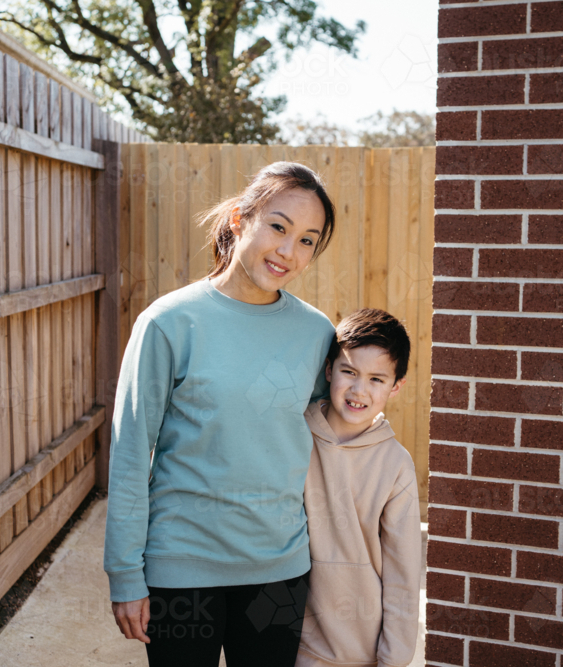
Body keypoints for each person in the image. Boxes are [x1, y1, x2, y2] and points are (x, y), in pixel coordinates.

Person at [104, 162, 338, 667]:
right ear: (239, 218)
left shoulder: (316, 333)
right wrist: (124, 572)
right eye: (278, 226)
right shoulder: (168, 323)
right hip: (181, 571)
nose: (287, 251)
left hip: (279, 570)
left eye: (306, 241)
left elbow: (331, 437)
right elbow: (128, 453)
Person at [297, 308, 421, 667]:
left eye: (376, 379)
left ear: (395, 387)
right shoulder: (294, 434)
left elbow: (404, 575)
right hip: (290, 644)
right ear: (328, 371)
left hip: (361, 654)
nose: (358, 390)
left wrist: (392, 660)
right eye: (349, 371)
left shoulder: (396, 465)